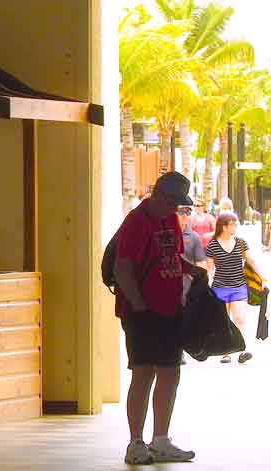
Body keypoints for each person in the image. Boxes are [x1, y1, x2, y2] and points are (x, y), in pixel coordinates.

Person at [114, 171, 206, 465]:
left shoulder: (169, 219)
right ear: (157, 195)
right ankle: (136, 443)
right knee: (143, 372)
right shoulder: (137, 222)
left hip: (169, 309)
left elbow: (172, 256)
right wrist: (139, 306)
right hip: (142, 312)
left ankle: (161, 439)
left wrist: (193, 270)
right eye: (171, 202)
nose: (174, 208)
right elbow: (123, 267)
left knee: (169, 371)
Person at [205, 211, 264, 365]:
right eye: (234, 224)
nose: (236, 226)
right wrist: (206, 284)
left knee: (240, 319)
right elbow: (210, 268)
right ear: (224, 226)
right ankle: (226, 352)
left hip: (239, 286)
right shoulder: (213, 245)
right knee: (225, 321)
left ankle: (243, 350)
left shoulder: (241, 242)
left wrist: (262, 276)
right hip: (220, 288)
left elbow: (250, 260)